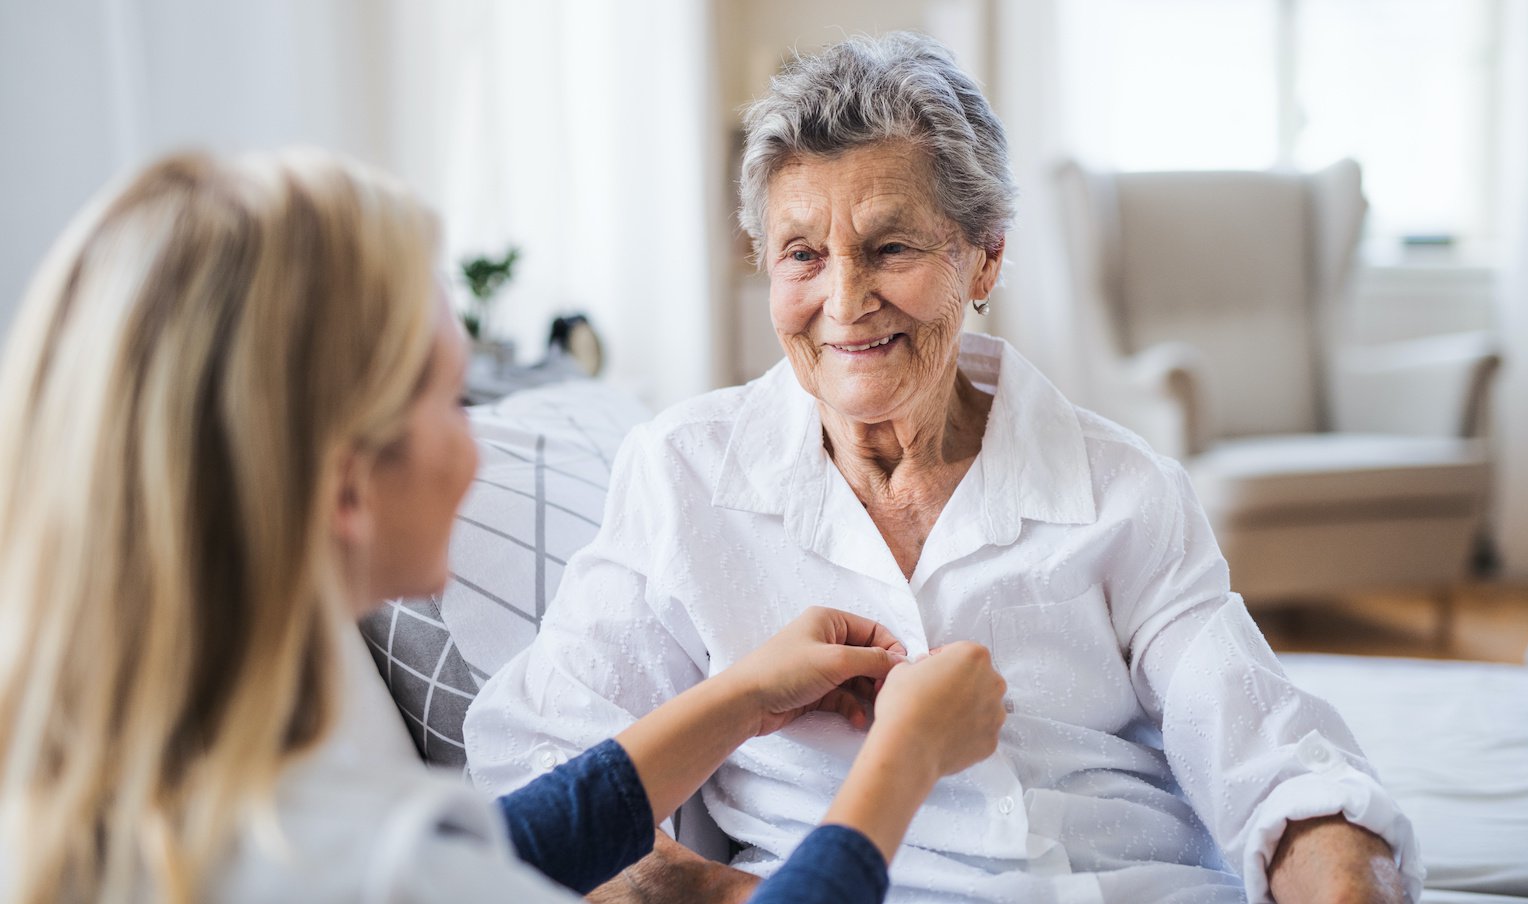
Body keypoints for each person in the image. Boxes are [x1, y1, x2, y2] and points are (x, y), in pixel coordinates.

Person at [465, 32, 1423, 904]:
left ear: (986, 257)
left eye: (890, 248)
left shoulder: (1124, 490)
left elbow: (1279, 770)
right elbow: (540, 761)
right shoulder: (683, 475)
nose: (844, 303)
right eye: (803, 255)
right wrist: (719, 894)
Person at [0, 149, 1009, 904]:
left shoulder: (165, 804)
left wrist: (737, 696)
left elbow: (495, 849)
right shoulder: (364, 866)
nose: (480, 451)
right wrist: (905, 758)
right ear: (348, 487)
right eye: (452, 403)